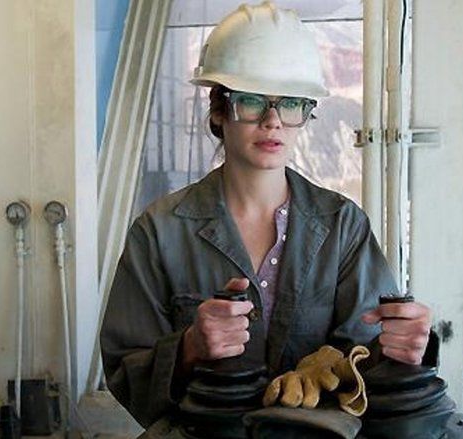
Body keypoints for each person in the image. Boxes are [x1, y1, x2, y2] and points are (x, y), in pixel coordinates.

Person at [100, 1, 432, 430]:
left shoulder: (342, 227)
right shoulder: (159, 232)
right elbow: (125, 374)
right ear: (219, 110)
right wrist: (190, 348)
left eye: (291, 103)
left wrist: (398, 346)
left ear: (306, 113)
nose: (273, 121)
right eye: (253, 101)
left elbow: (374, 360)